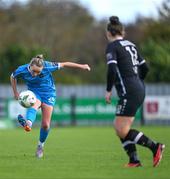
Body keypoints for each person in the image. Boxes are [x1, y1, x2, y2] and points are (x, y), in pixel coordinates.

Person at [105, 16, 165, 167]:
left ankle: (155, 146)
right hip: (138, 87)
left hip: (129, 90)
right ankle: (134, 160)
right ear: (122, 31)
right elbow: (145, 68)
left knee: (121, 129)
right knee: (120, 127)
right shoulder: (131, 45)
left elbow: (112, 69)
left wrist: (108, 90)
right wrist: (138, 81)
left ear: (109, 33)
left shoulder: (112, 46)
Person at [10, 54, 91, 158]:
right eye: (33, 71)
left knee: (46, 125)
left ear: (42, 68)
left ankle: (40, 146)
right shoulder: (22, 69)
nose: (35, 74)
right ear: (30, 66)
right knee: (34, 106)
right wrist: (15, 92)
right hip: (34, 93)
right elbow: (13, 77)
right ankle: (28, 124)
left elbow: (65, 64)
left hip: (49, 94)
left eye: (38, 72)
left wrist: (82, 66)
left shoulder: (48, 66)